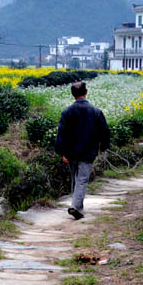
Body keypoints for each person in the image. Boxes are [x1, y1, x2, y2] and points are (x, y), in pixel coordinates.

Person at [54, 81, 110, 219]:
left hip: (71, 152)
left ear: (73, 94)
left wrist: (62, 152)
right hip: (88, 152)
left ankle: (77, 206)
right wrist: (103, 147)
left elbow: (61, 134)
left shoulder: (67, 112)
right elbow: (105, 132)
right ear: (86, 92)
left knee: (75, 179)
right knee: (82, 180)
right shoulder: (96, 111)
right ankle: (74, 207)